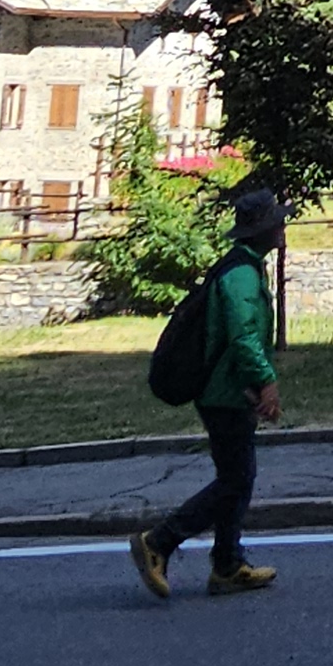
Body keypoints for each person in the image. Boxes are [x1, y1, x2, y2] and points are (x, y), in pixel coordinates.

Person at [131, 187, 287, 600]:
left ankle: (228, 565)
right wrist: (265, 381)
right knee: (235, 480)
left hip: (230, 389)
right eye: (277, 222)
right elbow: (243, 337)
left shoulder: (244, 267)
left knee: (238, 478)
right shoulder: (240, 275)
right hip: (224, 392)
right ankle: (159, 542)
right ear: (261, 231)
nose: (283, 227)